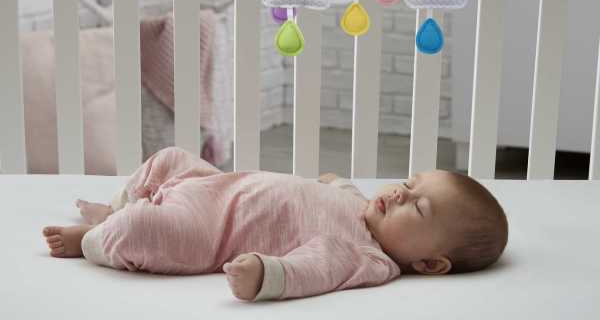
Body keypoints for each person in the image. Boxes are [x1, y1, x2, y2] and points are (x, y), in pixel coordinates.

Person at [42, 147, 508, 301]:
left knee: (145, 232)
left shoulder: (368, 258)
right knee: (170, 158)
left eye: (418, 208)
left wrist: (267, 275)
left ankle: (95, 239)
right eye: (408, 183)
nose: (400, 193)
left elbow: (313, 268)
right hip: (216, 185)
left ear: (430, 264)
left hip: (209, 231)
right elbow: (340, 187)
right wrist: (333, 181)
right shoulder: (363, 205)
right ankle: (118, 205)